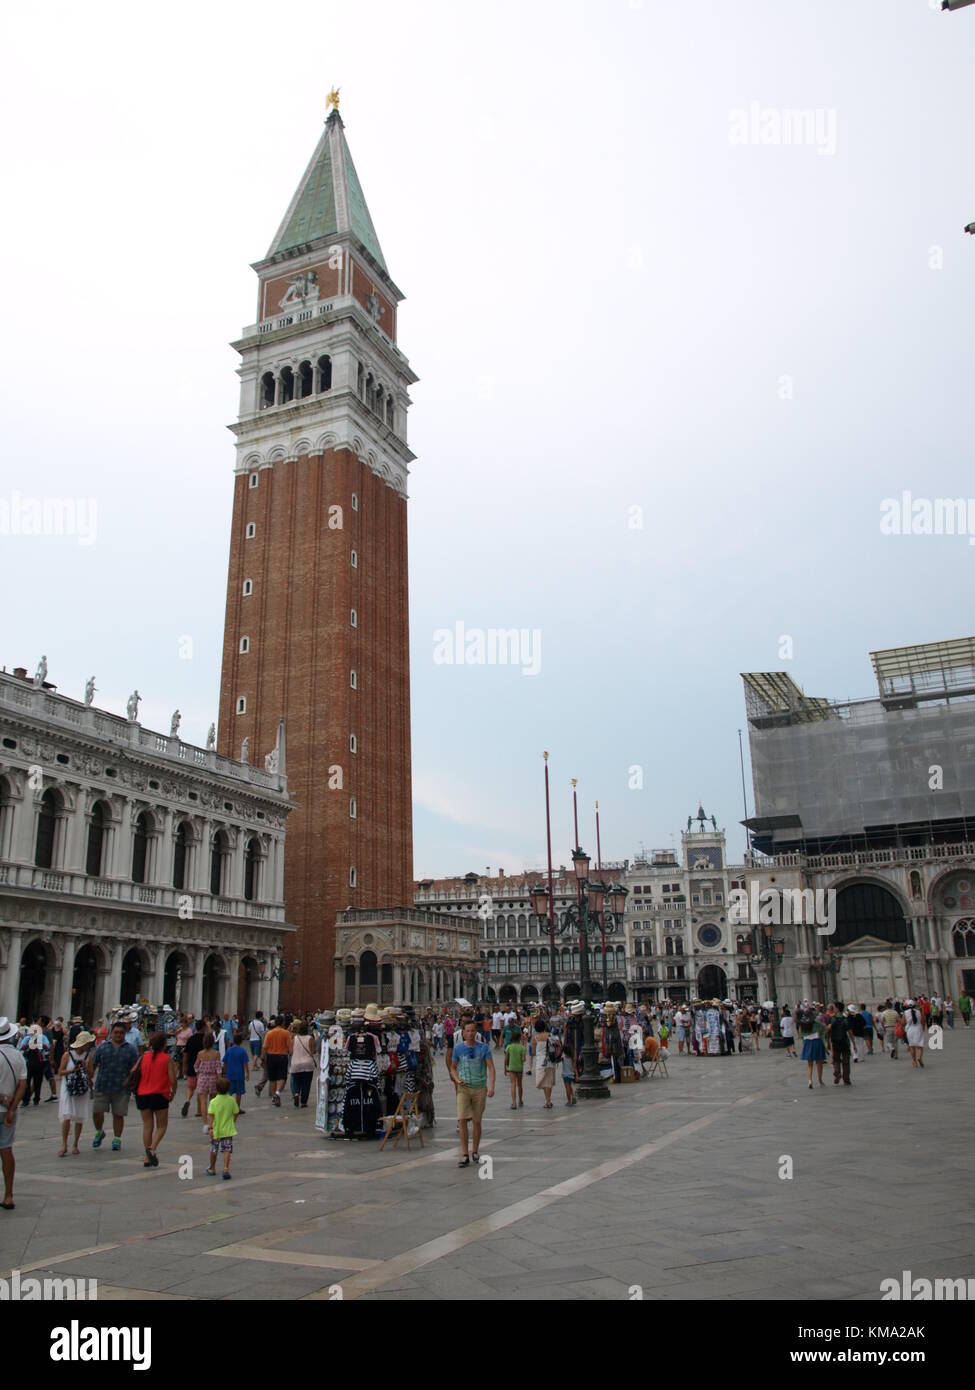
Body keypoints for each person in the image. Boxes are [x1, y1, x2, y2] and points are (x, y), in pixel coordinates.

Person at [449, 1019, 494, 1167]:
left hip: (479, 1087)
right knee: (462, 1119)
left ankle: (475, 1150)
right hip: (463, 1088)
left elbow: (491, 1068)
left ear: (476, 1032)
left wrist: (491, 1086)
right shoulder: (458, 1048)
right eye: (467, 1031)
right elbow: (453, 1067)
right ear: (463, 1033)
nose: (470, 1033)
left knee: (476, 1121)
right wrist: (456, 1079)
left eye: (473, 1030)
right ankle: (464, 1154)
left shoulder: (484, 1048)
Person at [89, 1018, 139, 1151]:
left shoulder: (131, 1049)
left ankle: (117, 1138)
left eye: (121, 1033)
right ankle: (99, 1131)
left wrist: (133, 1083)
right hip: (102, 1084)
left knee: (118, 1114)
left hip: (122, 1087)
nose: (118, 1035)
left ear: (124, 1034)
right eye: (116, 1032)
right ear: (111, 1033)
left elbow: (135, 1068)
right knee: (97, 1112)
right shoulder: (103, 1047)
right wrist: (89, 1077)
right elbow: (94, 1064)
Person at [133, 1031, 178, 1167]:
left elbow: (133, 1071)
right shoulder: (166, 1059)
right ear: (164, 1044)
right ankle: (152, 1148)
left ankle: (147, 1157)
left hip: (142, 1094)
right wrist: (173, 1093)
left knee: (147, 1126)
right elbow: (173, 1079)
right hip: (159, 1094)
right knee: (162, 1126)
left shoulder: (144, 1057)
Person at [0, 1017, 27, 1210]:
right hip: (9, 1112)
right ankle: (8, 1194)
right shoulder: (18, 1056)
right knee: (7, 1150)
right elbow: (22, 1085)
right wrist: (11, 1108)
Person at [57, 1031, 96, 1155]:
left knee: (79, 1116)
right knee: (67, 1115)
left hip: (82, 1088)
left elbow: (91, 1074)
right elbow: (60, 1072)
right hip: (68, 1087)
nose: (88, 1045)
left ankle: (75, 1144)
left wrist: (85, 1067)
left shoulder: (88, 1056)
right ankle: (64, 1144)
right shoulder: (67, 1055)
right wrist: (72, 1070)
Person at [207, 1078, 239, 1180]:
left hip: (216, 1130)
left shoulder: (213, 1102)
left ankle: (212, 1168)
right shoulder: (231, 1100)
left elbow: (211, 1116)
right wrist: (233, 1121)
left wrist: (210, 1128)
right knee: (227, 1150)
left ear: (216, 1089)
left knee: (213, 1149)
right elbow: (236, 1112)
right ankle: (225, 1168)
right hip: (228, 1130)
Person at [259, 1016, 292, 1106]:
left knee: (272, 1078)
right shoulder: (286, 1033)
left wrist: (262, 1058)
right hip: (282, 1056)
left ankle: (274, 1096)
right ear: (282, 1023)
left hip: (271, 1057)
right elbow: (290, 1048)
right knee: (282, 1077)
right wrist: (290, 1054)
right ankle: (277, 1093)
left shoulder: (269, 1033)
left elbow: (264, 1047)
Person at [193, 1033, 222, 1129]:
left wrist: (198, 1074)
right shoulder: (216, 1053)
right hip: (213, 1078)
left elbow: (196, 1066)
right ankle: (212, 1122)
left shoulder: (200, 1054)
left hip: (202, 1078)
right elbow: (218, 1069)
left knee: (203, 1102)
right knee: (213, 1102)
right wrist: (220, 1079)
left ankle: (205, 1124)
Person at [180, 1019, 207, 1116]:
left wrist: (184, 1066)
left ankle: (187, 1100)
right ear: (203, 1027)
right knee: (200, 1089)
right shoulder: (206, 1039)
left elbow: (185, 1054)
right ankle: (199, 1111)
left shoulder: (191, 1039)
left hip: (191, 1065)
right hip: (202, 1067)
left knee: (190, 1087)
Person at [289, 1020, 317, 1108]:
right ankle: (304, 1102)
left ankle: (296, 1093)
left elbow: (291, 1051)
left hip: (296, 1063)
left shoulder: (295, 1038)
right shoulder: (310, 1038)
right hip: (308, 1064)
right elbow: (313, 1051)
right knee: (306, 1084)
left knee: (296, 1081)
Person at [223, 1030, 250, 1114]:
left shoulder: (229, 1050)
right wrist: (247, 1073)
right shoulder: (242, 1051)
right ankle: (237, 1108)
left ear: (233, 1041)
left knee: (229, 1092)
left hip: (229, 1074)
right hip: (239, 1075)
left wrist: (224, 1073)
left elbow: (225, 1062)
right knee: (239, 1093)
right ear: (241, 1041)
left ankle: (228, 1108)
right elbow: (245, 1063)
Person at [532, 1016, 557, 1107]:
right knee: (549, 1081)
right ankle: (548, 1100)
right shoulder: (550, 1035)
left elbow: (533, 1052)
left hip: (541, 1061)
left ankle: (548, 1101)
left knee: (545, 1082)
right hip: (551, 1060)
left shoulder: (535, 1038)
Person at [799, 1008, 827, 1088]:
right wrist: (823, 1041)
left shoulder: (803, 1025)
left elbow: (801, 1035)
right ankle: (820, 1080)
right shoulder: (817, 1024)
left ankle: (810, 1080)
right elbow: (823, 1030)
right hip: (817, 1042)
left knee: (809, 1064)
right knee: (819, 1063)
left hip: (808, 1043)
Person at [826, 1005, 852, 1086]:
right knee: (846, 1061)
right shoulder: (845, 1018)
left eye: (834, 1008)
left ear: (837, 1009)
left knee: (836, 1060)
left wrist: (827, 1038)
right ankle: (846, 1079)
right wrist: (853, 1042)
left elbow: (829, 1029)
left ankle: (837, 1074)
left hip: (836, 1042)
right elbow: (849, 1029)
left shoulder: (833, 1018)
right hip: (844, 1041)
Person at [504, 1026, 525, 1109]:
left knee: (513, 1084)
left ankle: (513, 1103)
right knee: (519, 1085)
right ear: (519, 1039)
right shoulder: (522, 1048)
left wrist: (505, 1068)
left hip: (511, 1068)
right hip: (519, 1068)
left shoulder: (509, 1047)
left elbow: (506, 1059)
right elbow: (523, 1059)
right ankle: (520, 1100)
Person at [904, 1000, 926, 1069]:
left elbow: (902, 1022)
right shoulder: (919, 1012)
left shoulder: (905, 1013)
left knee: (912, 1046)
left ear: (907, 1006)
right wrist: (923, 1028)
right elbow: (923, 1020)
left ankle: (914, 1061)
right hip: (918, 1029)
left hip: (910, 1030)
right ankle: (919, 1057)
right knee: (920, 1046)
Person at [562, 1039, 577, 1105]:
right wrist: (577, 1075)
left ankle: (569, 1101)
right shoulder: (572, 1058)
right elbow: (574, 1068)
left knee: (567, 1088)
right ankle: (573, 1096)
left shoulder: (563, 1058)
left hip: (565, 1075)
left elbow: (557, 1060)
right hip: (571, 1075)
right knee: (570, 1087)